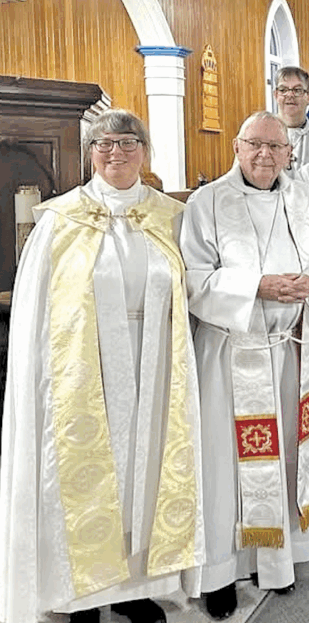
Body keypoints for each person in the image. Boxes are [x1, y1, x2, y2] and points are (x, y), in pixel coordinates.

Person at [0, 109, 205, 623]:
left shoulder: (170, 216)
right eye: (104, 144)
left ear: (145, 150)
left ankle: (135, 590)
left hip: (153, 365)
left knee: (146, 469)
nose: (116, 153)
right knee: (94, 474)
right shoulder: (60, 220)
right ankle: (81, 595)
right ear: (90, 152)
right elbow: (36, 315)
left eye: (127, 143)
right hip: (84, 376)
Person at [180, 111, 309, 620]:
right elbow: (194, 278)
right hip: (233, 354)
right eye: (256, 146)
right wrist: (257, 286)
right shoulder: (208, 202)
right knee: (227, 464)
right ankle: (222, 572)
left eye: (276, 147)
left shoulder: (304, 198)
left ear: (289, 152)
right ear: (236, 145)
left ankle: (279, 561)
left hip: (291, 349)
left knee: (288, 458)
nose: (266, 156)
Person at [274, 66, 309, 176]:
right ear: (276, 95)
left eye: (297, 90)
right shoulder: (259, 135)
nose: (290, 95)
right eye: (283, 90)